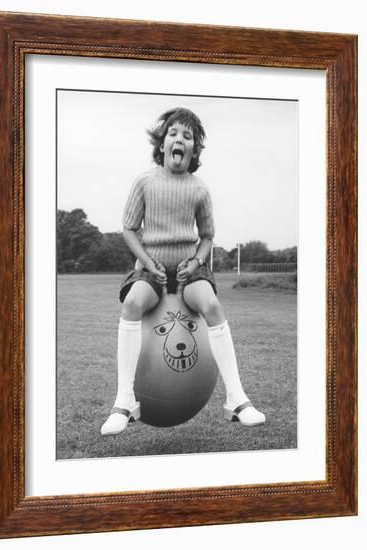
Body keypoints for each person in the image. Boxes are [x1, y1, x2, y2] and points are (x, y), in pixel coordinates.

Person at [101, 107, 265, 436]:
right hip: (152, 268)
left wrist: (196, 261)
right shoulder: (144, 182)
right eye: (174, 134)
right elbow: (129, 229)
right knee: (132, 303)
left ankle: (237, 399)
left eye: (187, 137)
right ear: (162, 144)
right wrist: (148, 264)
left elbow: (206, 236)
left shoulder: (200, 189)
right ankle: (124, 401)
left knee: (213, 305)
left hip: (189, 269)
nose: (180, 140)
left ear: (194, 149)